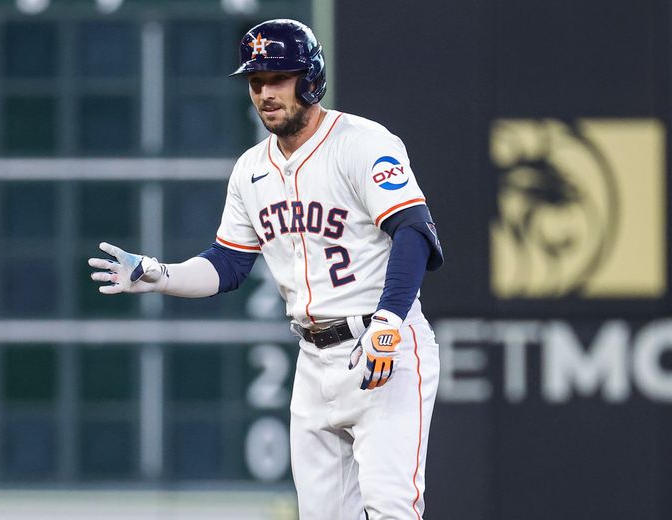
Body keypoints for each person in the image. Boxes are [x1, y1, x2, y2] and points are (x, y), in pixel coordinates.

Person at [88, 18, 444, 520]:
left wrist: (389, 319)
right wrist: (158, 274)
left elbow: (412, 231)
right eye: (256, 82)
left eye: (278, 77)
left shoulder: (364, 143)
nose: (265, 93)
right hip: (313, 356)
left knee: (390, 510)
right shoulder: (251, 169)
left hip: (382, 347)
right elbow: (229, 264)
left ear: (311, 78)